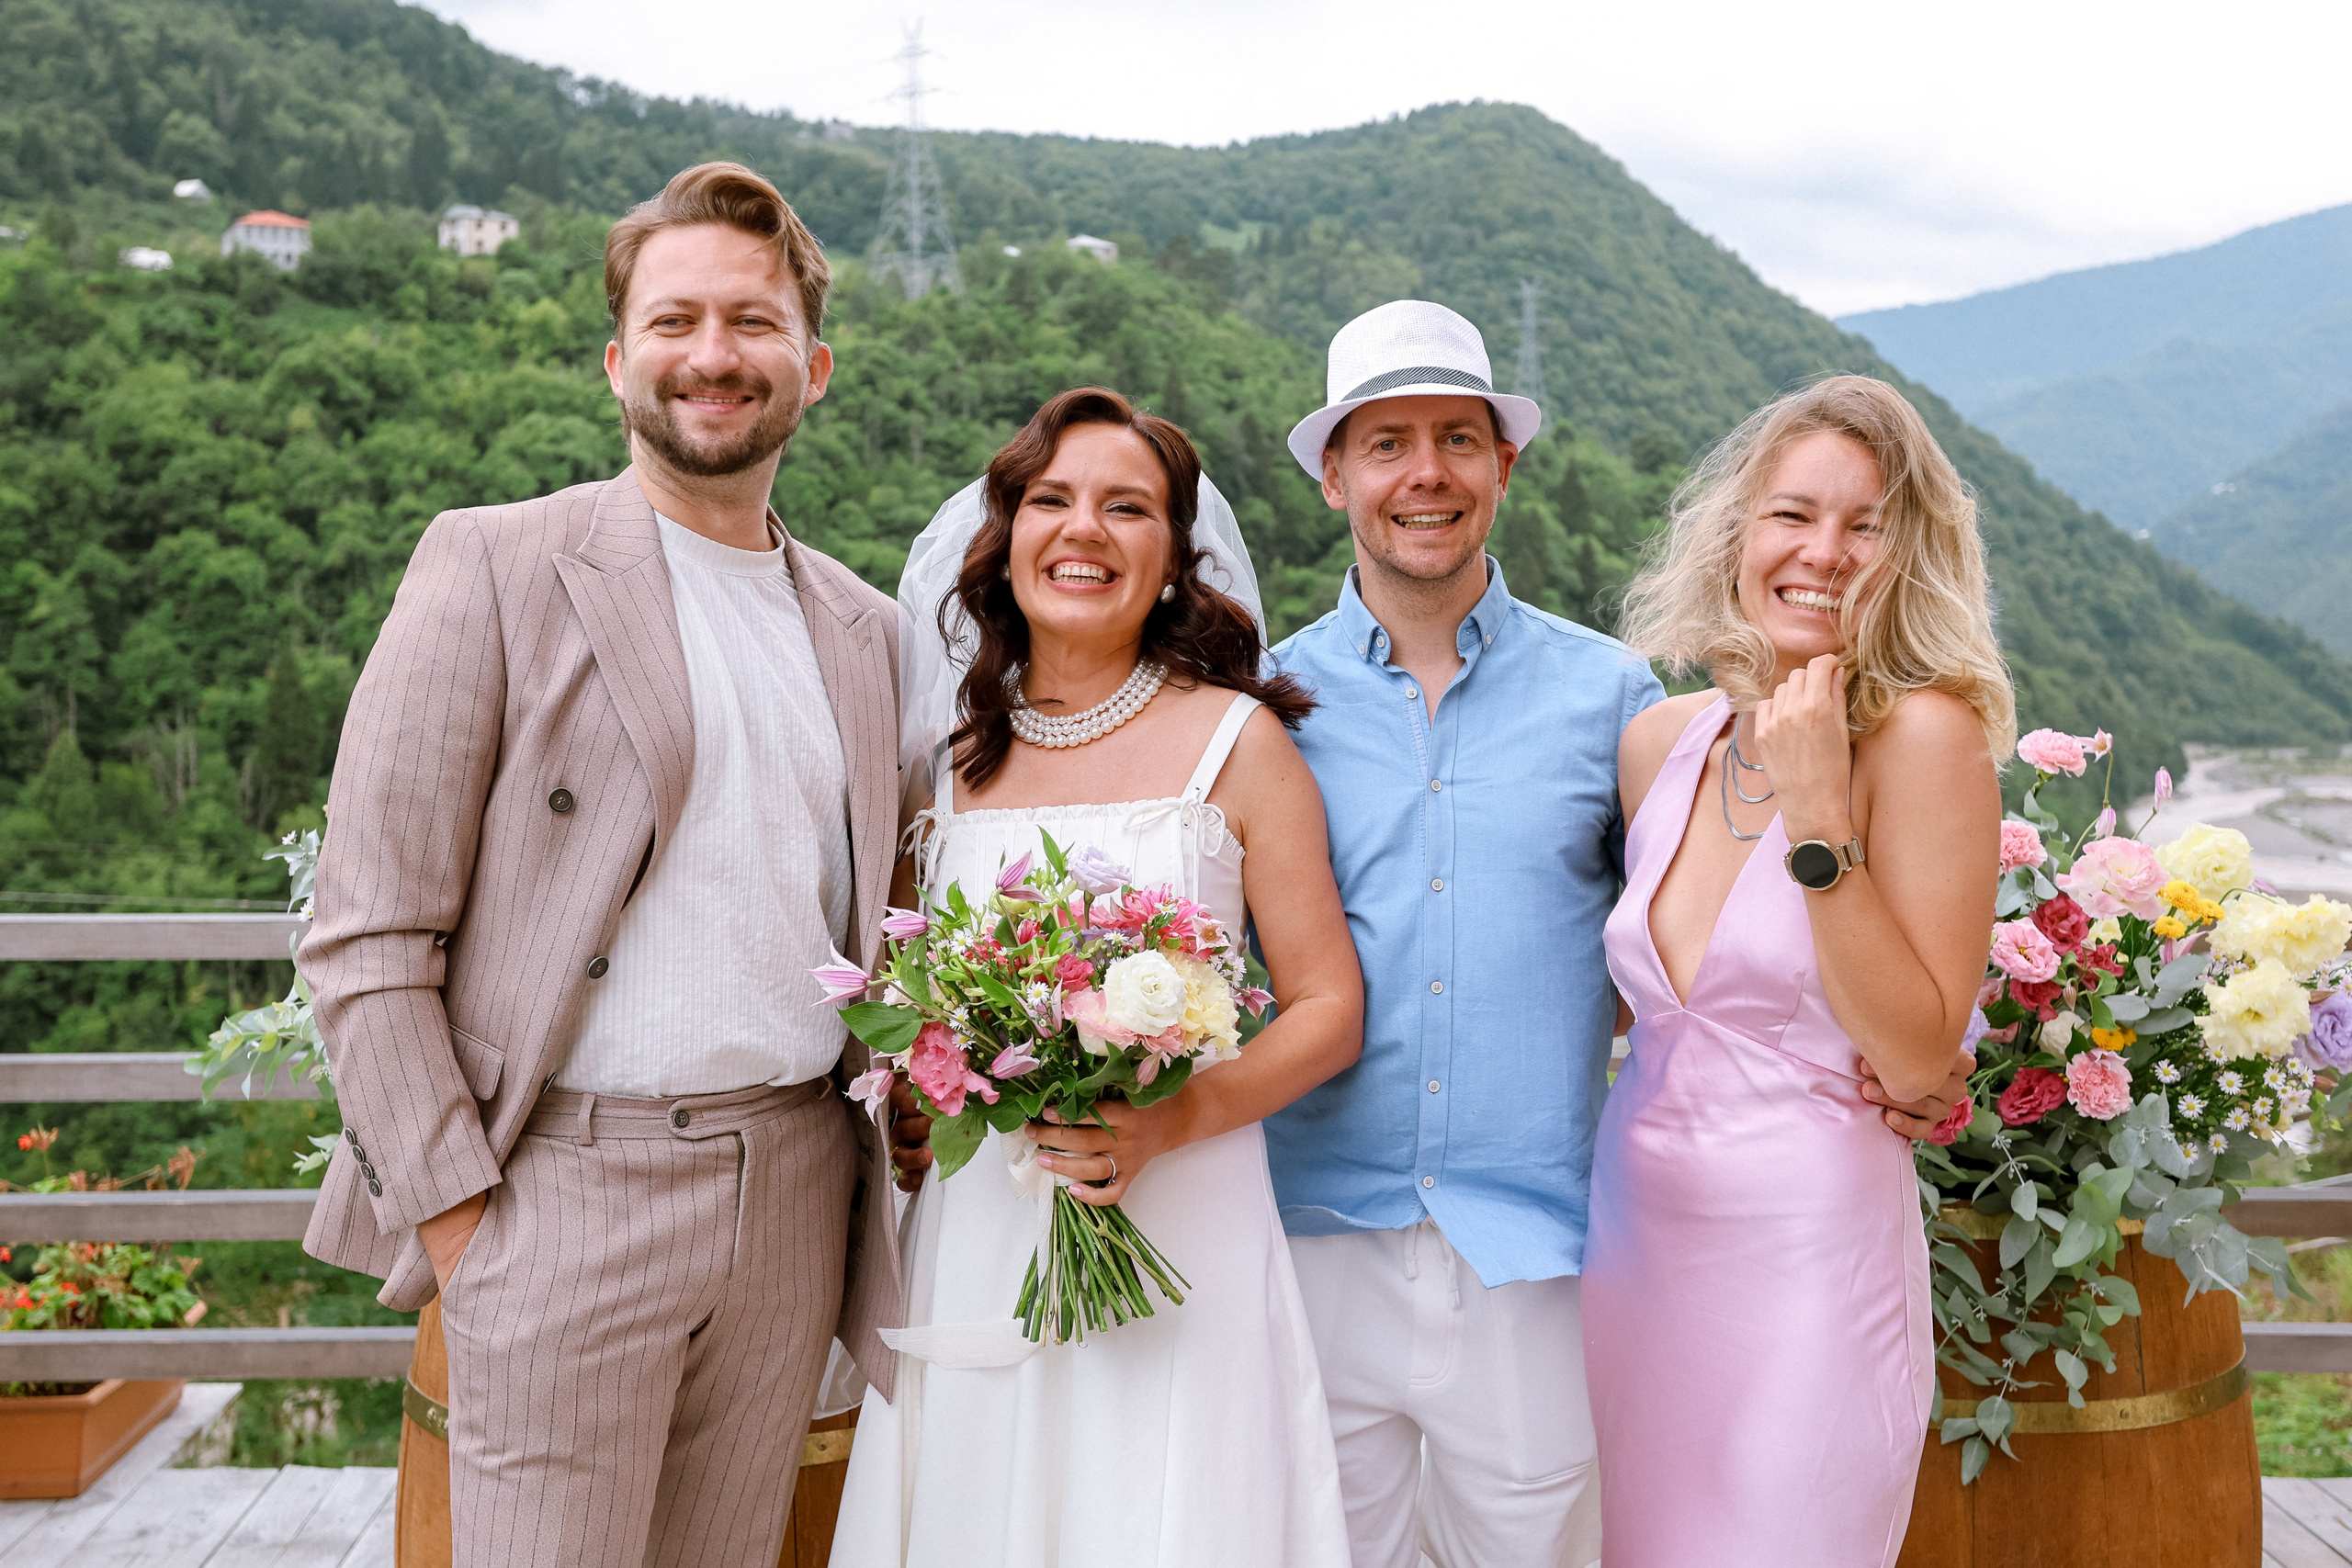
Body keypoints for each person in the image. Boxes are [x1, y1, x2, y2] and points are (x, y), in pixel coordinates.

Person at [1261, 302, 1976, 1568]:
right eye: (1386, 443)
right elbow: (1668, 978)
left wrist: (1910, 1050)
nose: (1426, 474)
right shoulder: (1270, 705)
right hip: (1416, 1233)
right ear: (1332, 473)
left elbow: (1882, 1018)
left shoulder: (1611, 699)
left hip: (1594, 1252)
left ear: (1505, 463)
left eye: (1458, 439)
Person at [298, 162, 901, 1568]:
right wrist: (466, 1224)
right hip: (557, 1190)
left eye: (752, 322)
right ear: (618, 359)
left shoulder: (865, 629)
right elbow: (366, 933)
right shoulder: (494, 565)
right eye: (675, 319)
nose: (713, 353)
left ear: (813, 366)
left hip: (793, 1184)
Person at [831, 387, 1362, 1568]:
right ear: (1005, 536)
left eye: (1127, 508)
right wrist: (918, 1093)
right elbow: (910, 1001)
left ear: (1173, 558)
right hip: (983, 1223)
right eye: (1051, 500)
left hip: (1187, 1218)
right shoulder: (944, 769)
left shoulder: (1240, 744)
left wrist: (1171, 1120)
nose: (1085, 529)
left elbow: (1329, 1008)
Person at [1585, 375, 2010, 1565]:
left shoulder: (1926, 739)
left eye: (1864, 523)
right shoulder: (1661, 742)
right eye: (1792, 513)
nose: (1822, 551)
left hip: (1810, 1277)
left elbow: (1917, 1055)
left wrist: (1821, 818)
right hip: (1632, 1255)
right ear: (1737, 533)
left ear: (1907, 553)